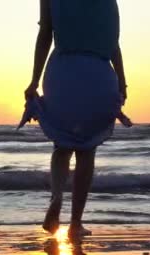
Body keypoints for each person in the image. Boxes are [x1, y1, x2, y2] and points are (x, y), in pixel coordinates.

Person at [25, 0, 129, 237]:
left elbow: (45, 35)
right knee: (87, 149)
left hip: (62, 71)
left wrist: (33, 80)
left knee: (62, 144)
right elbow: (113, 43)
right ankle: (75, 223)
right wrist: (122, 81)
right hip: (98, 73)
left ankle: (57, 197)